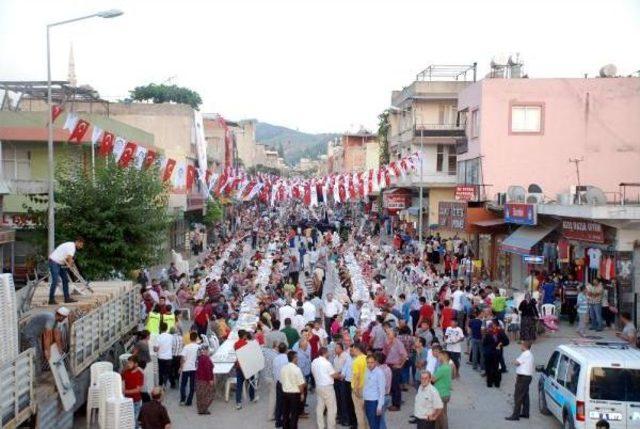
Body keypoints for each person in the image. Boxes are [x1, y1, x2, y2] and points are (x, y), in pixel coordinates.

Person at [23, 307, 70, 375]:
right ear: (61, 316)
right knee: (35, 355)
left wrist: (60, 349)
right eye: (64, 317)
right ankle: (34, 376)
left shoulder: (55, 320)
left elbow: (57, 336)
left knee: (39, 354)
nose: (64, 319)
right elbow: (46, 336)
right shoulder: (51, 318)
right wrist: (47, 351)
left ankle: (38, 374)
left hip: (35, 336)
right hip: (30, 335)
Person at [48, 237, 84, 304]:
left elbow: (67, 257)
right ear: (77, 242)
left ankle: (67, 298)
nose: (81, 247)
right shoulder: (72, 247)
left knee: (65, 280)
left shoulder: (70, 245)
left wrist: (69, 264)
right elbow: (69, 257)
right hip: (54, 262)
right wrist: (69, 266)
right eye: (81, 245)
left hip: (59, 263)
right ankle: (51, 299)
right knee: (55, 280)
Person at [505, 340, 534, 421]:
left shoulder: (525, 354)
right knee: (525, 395)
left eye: (521, 345)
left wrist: (514, 361)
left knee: (518, 396)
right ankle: (525, 413)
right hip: (527, 377)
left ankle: (515, 415)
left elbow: (517, 362)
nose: (520, 346)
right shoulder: (530, 354)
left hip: (523, 377)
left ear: (524, 346)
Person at [311, 347, 339, 429]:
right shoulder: (327, 363)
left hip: (319, 386)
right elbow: (333, 375)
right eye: (328, 352)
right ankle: (331, 427)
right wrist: (339, 375)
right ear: (325, 353)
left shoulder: (314, 362)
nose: (329, 354)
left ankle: (321, 426)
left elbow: (313, 373)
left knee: (320, 407)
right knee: (331, 408)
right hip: (327, 387)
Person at [382, 326, 408, 411]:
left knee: (395, 386)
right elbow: (384, 353)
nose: (387, 334)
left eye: (389, 333)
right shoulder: (387, 342)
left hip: (395, 366)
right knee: (391, 385)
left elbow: (404, 356)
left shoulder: (398, 343)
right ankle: (394, 402)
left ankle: (396, 405)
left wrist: (400, 365)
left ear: (394, 334)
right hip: (388, 365)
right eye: (387, 333)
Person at [280, 350, 307, 429]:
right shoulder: (296, 369)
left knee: (285, 413)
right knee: (294, 414)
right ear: (294, 358)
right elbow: (301, 384)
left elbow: (281, 381)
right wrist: (302, 394)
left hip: (285, 393)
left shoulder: (283, 368)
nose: (298, 359)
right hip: (294, 394)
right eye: (297, 357)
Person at [234, 330, 256, 409]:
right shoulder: (247, 344)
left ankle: (238, 402)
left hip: (239, 366)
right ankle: (252, 397)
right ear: (244, 336)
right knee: (251, 381)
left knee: (239, 385)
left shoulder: (235, 344)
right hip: (247, 366)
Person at [363, 354, 386, 429]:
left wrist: (379, 406)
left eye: (371, 362)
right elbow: (365, 386)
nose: (369, 364)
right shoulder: (366, 370)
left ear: (375, 362)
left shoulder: (379, 373)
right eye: (368, 362)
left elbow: (382, 391)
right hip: (367, 400)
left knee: (374, 424)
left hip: (374, 402)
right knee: (370, 423)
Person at [121, 355, 144, 428]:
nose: (128, 364)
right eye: (128, 362)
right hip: (127, 400)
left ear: (136, 364)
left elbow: (138, 390)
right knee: (128, 418)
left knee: (135, 419)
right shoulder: (125, 372)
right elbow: (122, 382)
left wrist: (125, 392)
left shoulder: (139, 374)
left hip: (136, 401)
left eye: (130, 363)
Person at [432, 350, 452, 429]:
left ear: (444, 356)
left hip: (441, 394)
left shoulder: (443, 368)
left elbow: (433, 379)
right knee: (442, 414)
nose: (438, 357)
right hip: (444, 393)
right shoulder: (447, 367)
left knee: (441, 416)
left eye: (440, 356)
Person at [179, 332, 200, 406]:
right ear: (196, 338)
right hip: (194, 368)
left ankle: (182, 399)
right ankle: (189, 401)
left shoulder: (186, 347)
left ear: (190, 338)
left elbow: (182, 358)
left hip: (186, 367)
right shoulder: (198, 347)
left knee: (183, 384)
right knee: (192, 385)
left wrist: (181, 367)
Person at [350, 343, 368, 429]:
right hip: (366, 387)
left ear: (357, 349)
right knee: (366, 411)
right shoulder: (367, 358)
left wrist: (355, 390)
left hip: (358, 388)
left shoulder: (356, 361)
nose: (352, 351)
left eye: (353, 349)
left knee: (359, 412)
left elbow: (356, 377)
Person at [273, 343, 290, 428]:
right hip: (287, 383)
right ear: (286, 349)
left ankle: (278, 421)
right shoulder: (287, 359)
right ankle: (285, 422)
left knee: (279, 403)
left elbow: (275, 371)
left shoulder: (275, 359)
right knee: (286, 403)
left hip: (279, 383)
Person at [195, 345, 215, 415]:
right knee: (207, 394)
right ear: (206, 350)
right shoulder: (206, 358)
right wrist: (210, 379)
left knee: (200, 395)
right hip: (205, 379)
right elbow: (208, 370)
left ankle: (200, 409)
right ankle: (204, 409)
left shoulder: (200, 358)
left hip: (199, 378)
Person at [155, 322, 174, 389]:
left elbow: (156, 349)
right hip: (169, 357)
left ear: (160, 328)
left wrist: (154, 349)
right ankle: (170, 383)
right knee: (169, 371)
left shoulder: (158, 337)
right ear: (166, 328)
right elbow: (173, 346)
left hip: (161, 357)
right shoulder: (171, 337)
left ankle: (161, 384)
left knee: (161, 371)